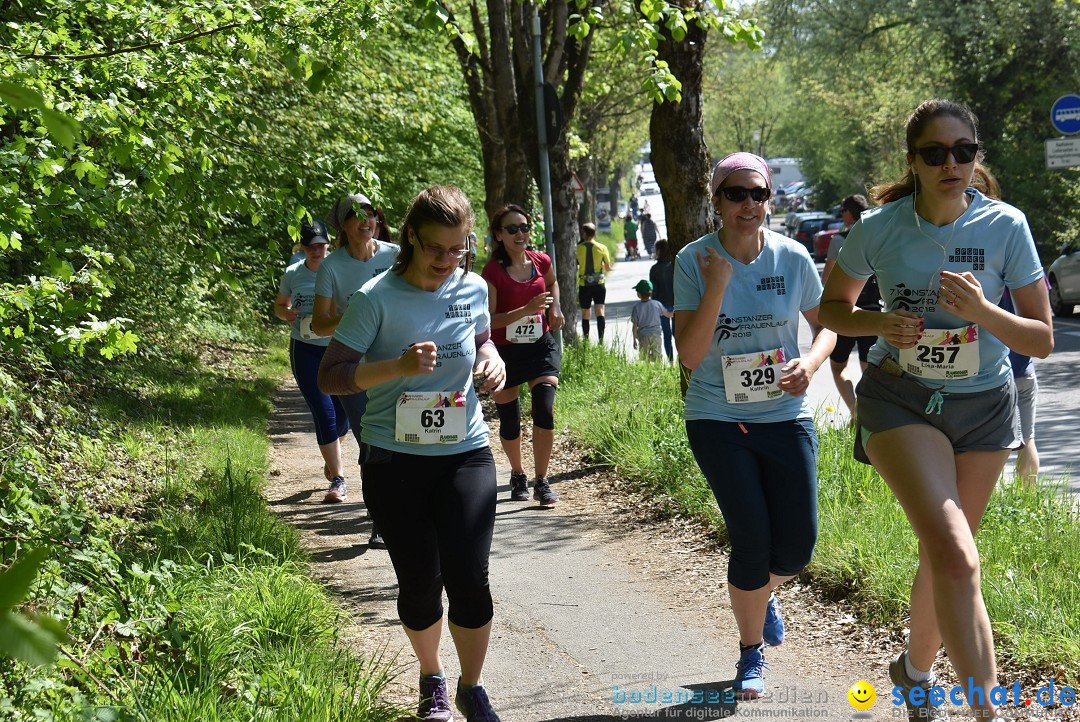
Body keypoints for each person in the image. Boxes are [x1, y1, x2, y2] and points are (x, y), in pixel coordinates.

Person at [818, 99, 1052, 722]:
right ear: (913, 161)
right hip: (901, 400)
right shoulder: (880, 227)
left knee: (946, 556)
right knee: (955, 554)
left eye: (964, 152)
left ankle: (913, 672)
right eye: (935, 153)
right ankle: (987, 713)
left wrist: (983, 314)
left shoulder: (1006, 226)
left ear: (977, 157)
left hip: (985, 408)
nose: (952, 164)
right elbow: (832, 309)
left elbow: (1042, 338)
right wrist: (878, 322)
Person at [318, 185, 507, 722]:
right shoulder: (377, 297)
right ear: (411, 239)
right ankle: (432, 678)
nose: (448, 261)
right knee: (420, 580)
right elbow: (329, 377)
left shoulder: (471, 289)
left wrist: (491, 361)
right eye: (436, 249)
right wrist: (396, 368)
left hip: (465, 451)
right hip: (394, 459)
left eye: (459, 248)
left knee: (470, 575)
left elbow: (484, 338)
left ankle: (473, 686)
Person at [674, 152, 835, 700]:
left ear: (770, 199)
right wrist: (718, 283)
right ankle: (750, 655)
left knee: (797, 547)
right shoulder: (693, 260)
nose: (749, 205)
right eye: (736, 194)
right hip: (717, 415)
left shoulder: (792, 257)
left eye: (758, 194)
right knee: (750, 538)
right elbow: (692, 356)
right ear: (716, 201)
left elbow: (827, 327)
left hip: (784, 413)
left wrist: (810, 365)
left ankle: (763, 594)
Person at [312, 192, 398, 547]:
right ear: (343, 225)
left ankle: (400, 507)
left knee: (401, 439)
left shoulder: (396, 256)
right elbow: (318, 324)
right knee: (371, 440)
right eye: (356, 216)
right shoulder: (332, 267)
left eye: (371, 215)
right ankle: (380, 518)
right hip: (353, 370)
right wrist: (353, 316)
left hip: (396, 365)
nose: (366, 222)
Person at [481, 204, 565, 505]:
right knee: (510, 420)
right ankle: (518, 474)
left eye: (525, 227)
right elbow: (489, 320)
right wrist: (527, 310)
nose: (521, 234)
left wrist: (555, 307)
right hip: (505, 353)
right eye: (513, 229)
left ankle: (542, 480)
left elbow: (553, 284)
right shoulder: (492, 272)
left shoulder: (541, 261)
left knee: (544, 408)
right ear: (499, 234)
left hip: (540, 347)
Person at [274, 220, 352, 494]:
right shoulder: (293, 273)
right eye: (310, 247)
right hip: (304, 348)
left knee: (344, 415)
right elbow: (279, 306)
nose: (316, 251)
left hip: (339, 348)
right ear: (303, 248)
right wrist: (287, 314)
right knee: (324, 411)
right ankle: (339, 479)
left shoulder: (339, 269)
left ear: (328, 245)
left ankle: (334, 455)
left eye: (320, 246)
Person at [821, 194, 878, 419]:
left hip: (845, 311)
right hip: (874, 311)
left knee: (838, 367)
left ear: (848, 213)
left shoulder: (839, 239)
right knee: (868, 367)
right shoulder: (876, 237)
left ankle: (855, 411)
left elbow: (827, 278)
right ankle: (870, 413)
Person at [999, 283, 1045, 483]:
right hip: (1024, 371)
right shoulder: (1029, 275)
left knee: (991, 444)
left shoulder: (986, 269)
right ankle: (1028, 498)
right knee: (1028, 439)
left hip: (995, 375)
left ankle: (990, 503)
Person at [577, 222, 612, 343]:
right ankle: (601, 341)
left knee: (585, 313)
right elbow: (608, 268)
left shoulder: (578, 248)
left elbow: (576, 265)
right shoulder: (602, 248)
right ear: (594, 233)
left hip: (584, 284)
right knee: (600, 311)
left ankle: (586, 341)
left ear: (584, 233)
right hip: (599, 284)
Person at [631, 279, 670, 362]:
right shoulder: (657, 304)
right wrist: (677, 312)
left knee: (644, 357)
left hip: (643, 335)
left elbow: (635, 326)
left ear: (639, 294)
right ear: (651, 292)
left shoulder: (636, 307)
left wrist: (634, 340)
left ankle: (647, 371)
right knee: (658, 355)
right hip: (656, 334)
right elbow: (668, 314)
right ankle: (658, 371)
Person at [649, 240, 675, 363]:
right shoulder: (673, 265)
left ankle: (671, 361)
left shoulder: (654, 269)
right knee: (678, 333)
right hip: (677, 304)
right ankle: (683, 361)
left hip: (661, 306)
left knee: (667, 335)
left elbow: (654, 291)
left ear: (659, 251)